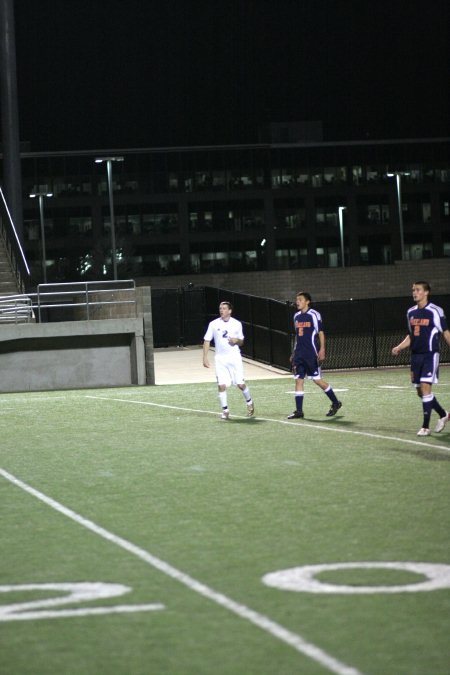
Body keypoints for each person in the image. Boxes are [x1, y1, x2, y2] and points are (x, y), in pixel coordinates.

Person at [392, 281, 450, 436]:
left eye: (417, 290)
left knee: (425, 388)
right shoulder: (410, 312)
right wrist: (399, 347)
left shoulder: (435, 311)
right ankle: (444, 414)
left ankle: (425, 427)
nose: (414, 293)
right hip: (415, 356)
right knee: (420, 392)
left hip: (431, 355)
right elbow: (411, 336)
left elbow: (445, 332)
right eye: (413, 290)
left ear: (426, 292)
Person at [287, 291, 342, 419]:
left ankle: (335, 402)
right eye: (297, 300)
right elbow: (298, 336)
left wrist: (322, 349)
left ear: (307, 302)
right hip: (299, 354)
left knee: (317, 380)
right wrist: (294, 352)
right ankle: (299, 411)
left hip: (310, 353)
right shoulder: (296, 316)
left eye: (300, 300)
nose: (297, 302)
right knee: (298, 380)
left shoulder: (314, 314)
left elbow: (321, 333)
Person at [203, 301, 255, 419]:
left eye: (224, 308)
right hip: (220, 359)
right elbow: (207, 340)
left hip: (234, 357)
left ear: (230, 311)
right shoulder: (213, 324)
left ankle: (249, 402)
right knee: (221, 385)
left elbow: (242, 341)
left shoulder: (237, 324)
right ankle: (225, 411)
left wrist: (237, 340)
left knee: (240, 384)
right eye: (220, 308)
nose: (222, 310)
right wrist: (205, 357)